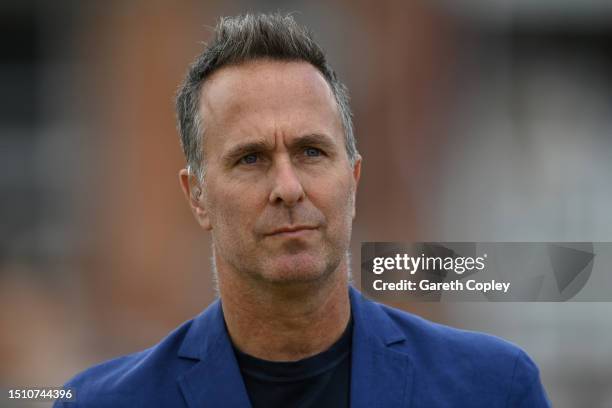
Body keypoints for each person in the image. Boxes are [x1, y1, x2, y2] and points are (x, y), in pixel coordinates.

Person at [56, 13, 551, 407]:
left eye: (312, 152)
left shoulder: (492, 389)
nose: (288, 188)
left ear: (352, 180)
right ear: (197, 196)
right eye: (250, 158)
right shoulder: (104, 402)